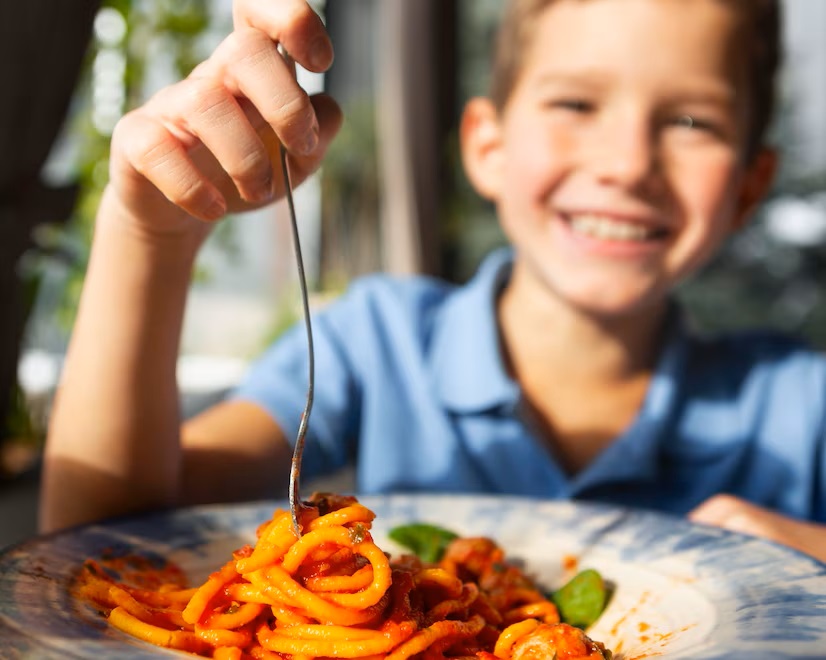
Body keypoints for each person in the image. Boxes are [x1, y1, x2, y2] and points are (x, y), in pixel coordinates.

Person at [39, 0, 826, 563]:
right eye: (575, 102)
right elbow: (100, 539)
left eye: (692, 122)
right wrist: (149, 232)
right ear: (486, 146)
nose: (626, 164)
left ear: (751, 186)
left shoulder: (801, 404)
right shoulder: (379, 341)